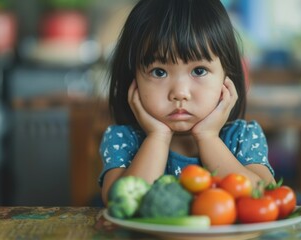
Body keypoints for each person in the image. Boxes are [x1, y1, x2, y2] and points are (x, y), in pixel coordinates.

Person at [98, 0, 275, 206]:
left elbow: (265, 196)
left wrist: (208, 137)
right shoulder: (123, 139)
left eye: (199, 71)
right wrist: (158, 137)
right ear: (133, 80)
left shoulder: (241, 137)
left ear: (227, 79)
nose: (180, 93)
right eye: (159, 72)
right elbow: (120, 203)